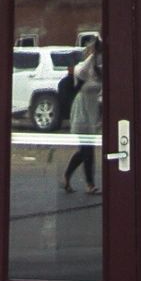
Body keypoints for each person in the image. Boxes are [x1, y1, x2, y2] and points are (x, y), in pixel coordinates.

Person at [60, 37, 103, 193]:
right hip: (82, 110)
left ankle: (67, 177)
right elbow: (79, 71)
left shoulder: (100, 68)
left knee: (85, 149)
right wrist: (93, 54)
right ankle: (89, 184)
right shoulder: (87, 68)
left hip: (92, 111)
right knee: (87, 149)